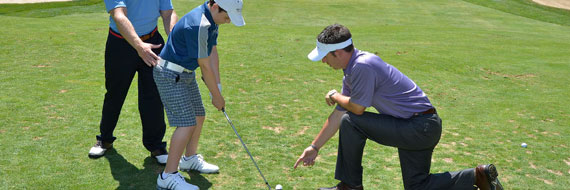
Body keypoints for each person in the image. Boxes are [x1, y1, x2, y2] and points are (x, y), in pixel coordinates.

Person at [294, 24, 503, 190]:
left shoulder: (362, 66)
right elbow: (341, 111)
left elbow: (356, 109)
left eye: (324, 56)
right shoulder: (352, 70)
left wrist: (335, 95)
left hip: (419, 127)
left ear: (338, 52)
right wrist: (314, 147)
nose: (323, 62)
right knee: (417, 186)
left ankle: (350, 186)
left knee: (353, 121)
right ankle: (477, 175)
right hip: (419, 126)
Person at [153, 0, 245, 189]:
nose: (228, 21)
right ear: (214, 6)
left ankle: (189, 159)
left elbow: (212, 52)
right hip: (170, 74)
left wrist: (217, 88)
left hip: (184, 73)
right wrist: (216, 96)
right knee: (186, 123)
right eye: (226, 16)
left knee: (198, 115)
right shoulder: (199, 24)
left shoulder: (212, 21)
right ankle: (167, 176)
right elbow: (204, 66)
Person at [88, 0, 178, 165]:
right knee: (115, 93)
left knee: (153, 95)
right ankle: (105, 139)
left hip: (153, 42)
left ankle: (156, 145)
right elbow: (118, 15)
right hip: (121, 44)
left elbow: (168, 13)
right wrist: (139, 46)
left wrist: (174, 38)